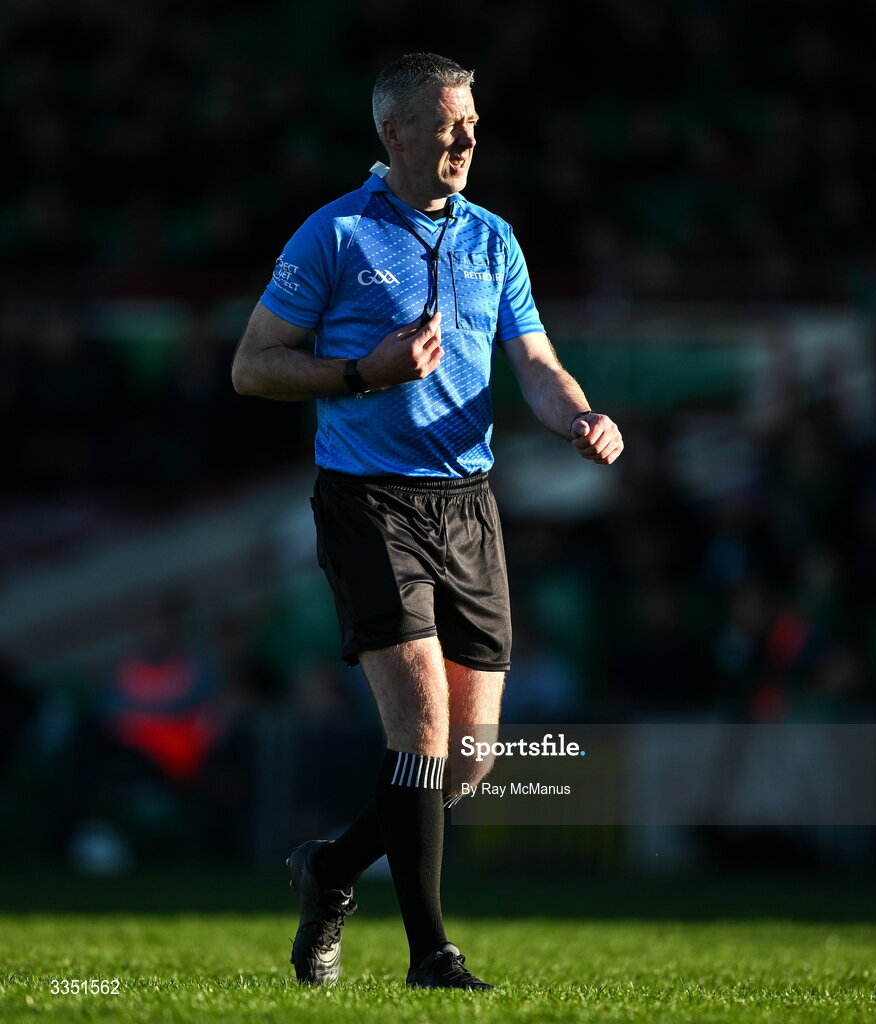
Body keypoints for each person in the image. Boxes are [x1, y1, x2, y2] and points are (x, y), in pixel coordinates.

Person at [231, 52, 623, 991]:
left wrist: (576, 413)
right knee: (419, 737)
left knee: (470, 762)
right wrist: (365, 371)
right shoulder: (335, 236)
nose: (468, 138)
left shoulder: (494, 238)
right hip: (369, 500)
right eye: (450, 123)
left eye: (474, 122)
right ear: (393, 132)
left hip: (468, 507)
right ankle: (431, 957)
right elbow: (253, 365)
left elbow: (532, 359)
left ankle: (327, 868)